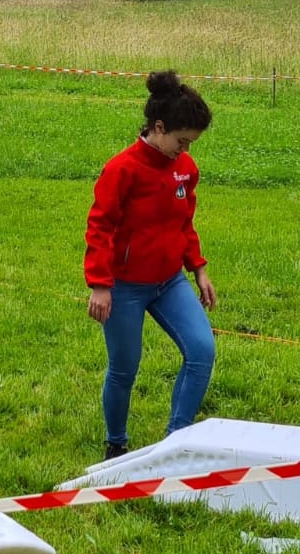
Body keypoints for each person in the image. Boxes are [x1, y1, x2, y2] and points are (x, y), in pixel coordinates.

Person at [83, 71, 217, 459]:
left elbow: (183, 221)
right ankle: (116, 445)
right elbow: (99, 228)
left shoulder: (185, 169)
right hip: (124, 286)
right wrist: (100, 284)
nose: (185, 149)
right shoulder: (121, 170)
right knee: (124, 369)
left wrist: (198, 267)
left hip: (168, 282)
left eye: (191, 143)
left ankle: (175, 441)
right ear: (158, 128)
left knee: (201, 350)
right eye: (181, 141)